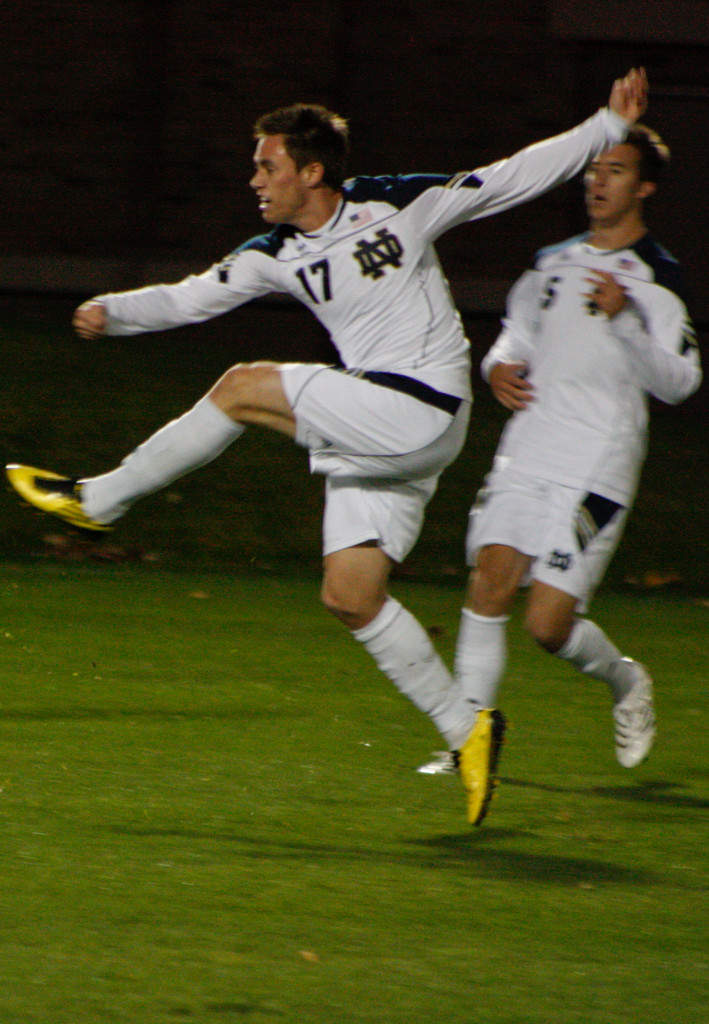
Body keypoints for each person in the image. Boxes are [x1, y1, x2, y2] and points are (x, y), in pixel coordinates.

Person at [7, 70, 649, 826]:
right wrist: (110, 313)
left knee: (242, 385)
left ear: (312, 171)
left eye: (266, 165)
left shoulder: (398, 205)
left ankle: (97, 501)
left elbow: (511, 175)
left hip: (422, 409)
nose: (254, 179)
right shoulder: (273, 251)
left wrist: (605, 126)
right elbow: (188, 297)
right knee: (350, 595)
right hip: (380, 428)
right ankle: (465, 730)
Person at [418, 125, 702, 804]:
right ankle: (468, 741)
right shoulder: (549, 262)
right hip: (527, 447)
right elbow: (511, 339)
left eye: (614, 171)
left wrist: (625, 319)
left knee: (546, 626)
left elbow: (680, 382)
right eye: (592, 171)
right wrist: (497, 369)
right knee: (489, 582)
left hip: (597, 461)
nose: (597, 182)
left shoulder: (657, 277)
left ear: (644, 187)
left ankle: (625, 681)